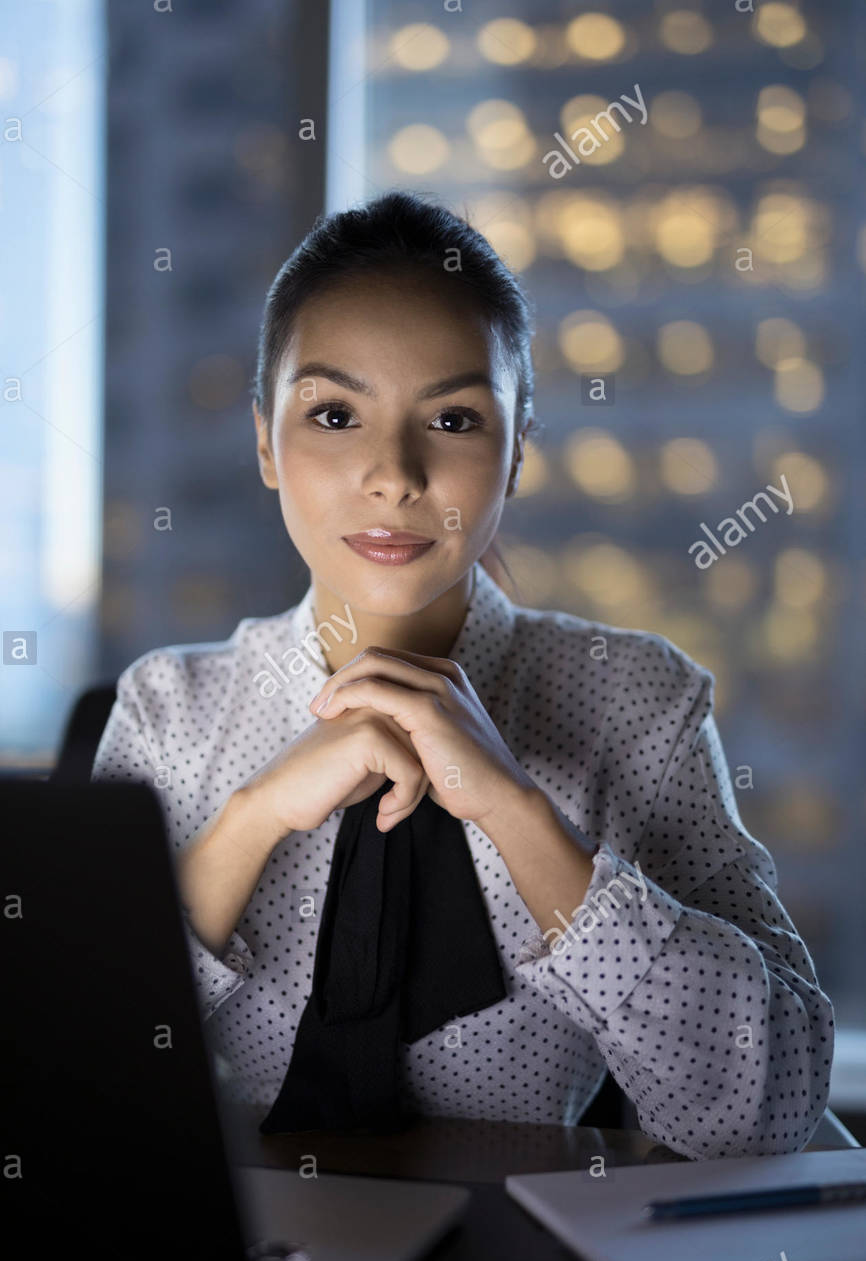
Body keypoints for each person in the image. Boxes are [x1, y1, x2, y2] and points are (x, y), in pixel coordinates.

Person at [91, 190, 833, 1158]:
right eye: (332, 413)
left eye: (450, 418)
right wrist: (251, 818)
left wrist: (515, 810)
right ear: (265, 444)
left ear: (517, 449)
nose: (393, 474)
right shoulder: (164, 713)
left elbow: (771, 1109)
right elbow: (63, 1076)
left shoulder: (635, 703)